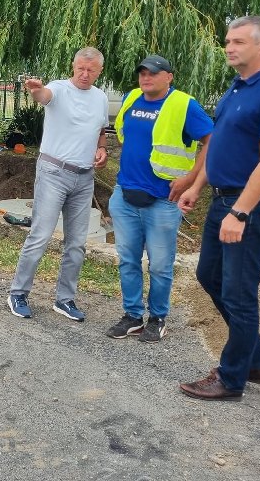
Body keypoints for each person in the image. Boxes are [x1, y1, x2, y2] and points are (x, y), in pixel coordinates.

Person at [178, 16, 260, 400]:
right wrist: (197, 185)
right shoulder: (238, 86)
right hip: (222, 199)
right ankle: (256, 361)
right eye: (228, 41)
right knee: (209, 276)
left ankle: (232, 378)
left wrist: (241, 212)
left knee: (238, 294)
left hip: (252, 206)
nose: (229, 47)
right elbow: (220, 142)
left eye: (238, 42)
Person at [105, 55, 213, 342]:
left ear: (169, 77)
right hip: (125, 195)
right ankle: (132, 316)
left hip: (164, 201)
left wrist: (191, 180)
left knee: (160, 266)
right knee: (128, 261)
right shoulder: (131, 98)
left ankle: (158, 319)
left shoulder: (183, 105)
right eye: (142, 73)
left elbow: (212, 141)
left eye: (153, 73)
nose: (146, 77)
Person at [6, 48, 108, 321]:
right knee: (40, 235)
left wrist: (102, 149)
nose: (85, 74)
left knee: (76, 244)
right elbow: (44, 96)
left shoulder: (100, 98)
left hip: (84, 177)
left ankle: (65, 299)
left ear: (99, 71)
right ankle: (18, 293)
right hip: (54, 172)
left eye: (91, 70)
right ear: (73, 67)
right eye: (80, 69)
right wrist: (36, 90)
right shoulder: (59, 89)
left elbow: (100, 130)